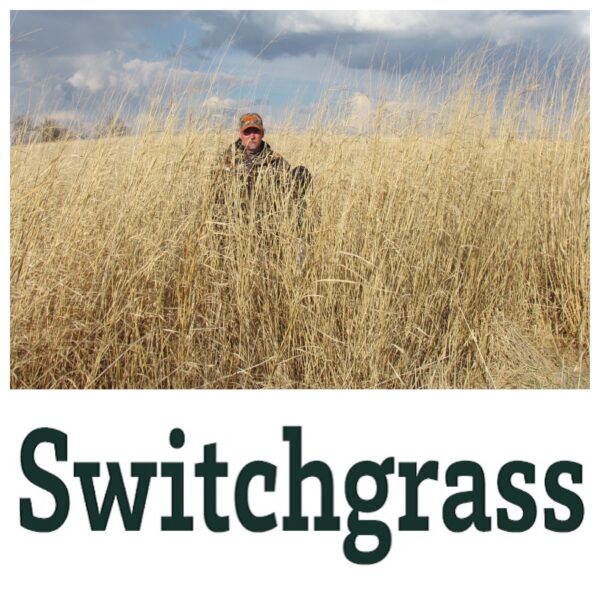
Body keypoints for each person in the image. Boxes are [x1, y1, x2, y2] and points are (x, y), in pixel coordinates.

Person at [211, 113, 312, 228]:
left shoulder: (275, 161)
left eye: (256, 132)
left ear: (263, 133)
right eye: (247, 132)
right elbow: (214, 198)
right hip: (233, 225)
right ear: (241, 135)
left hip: (267, 225)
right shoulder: (225, 160)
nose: (252, 136)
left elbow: (289, 195)